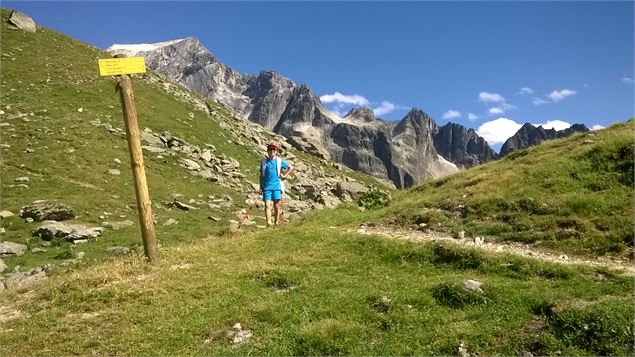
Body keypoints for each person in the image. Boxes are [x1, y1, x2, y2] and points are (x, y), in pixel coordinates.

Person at [259, 142, 294, 227]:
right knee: (267, 205)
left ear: (276, 151)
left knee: (276, 205)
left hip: (276, 186)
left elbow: (291, 167)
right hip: (266, 186)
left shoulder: (279, 161)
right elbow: (261, 176)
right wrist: (260, 187)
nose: (272, 151)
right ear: (267, 151)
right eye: (270, 149)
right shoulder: (263, 162)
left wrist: (285, 175)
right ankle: (269, 223)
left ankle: (276, 221)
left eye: (273, 149)